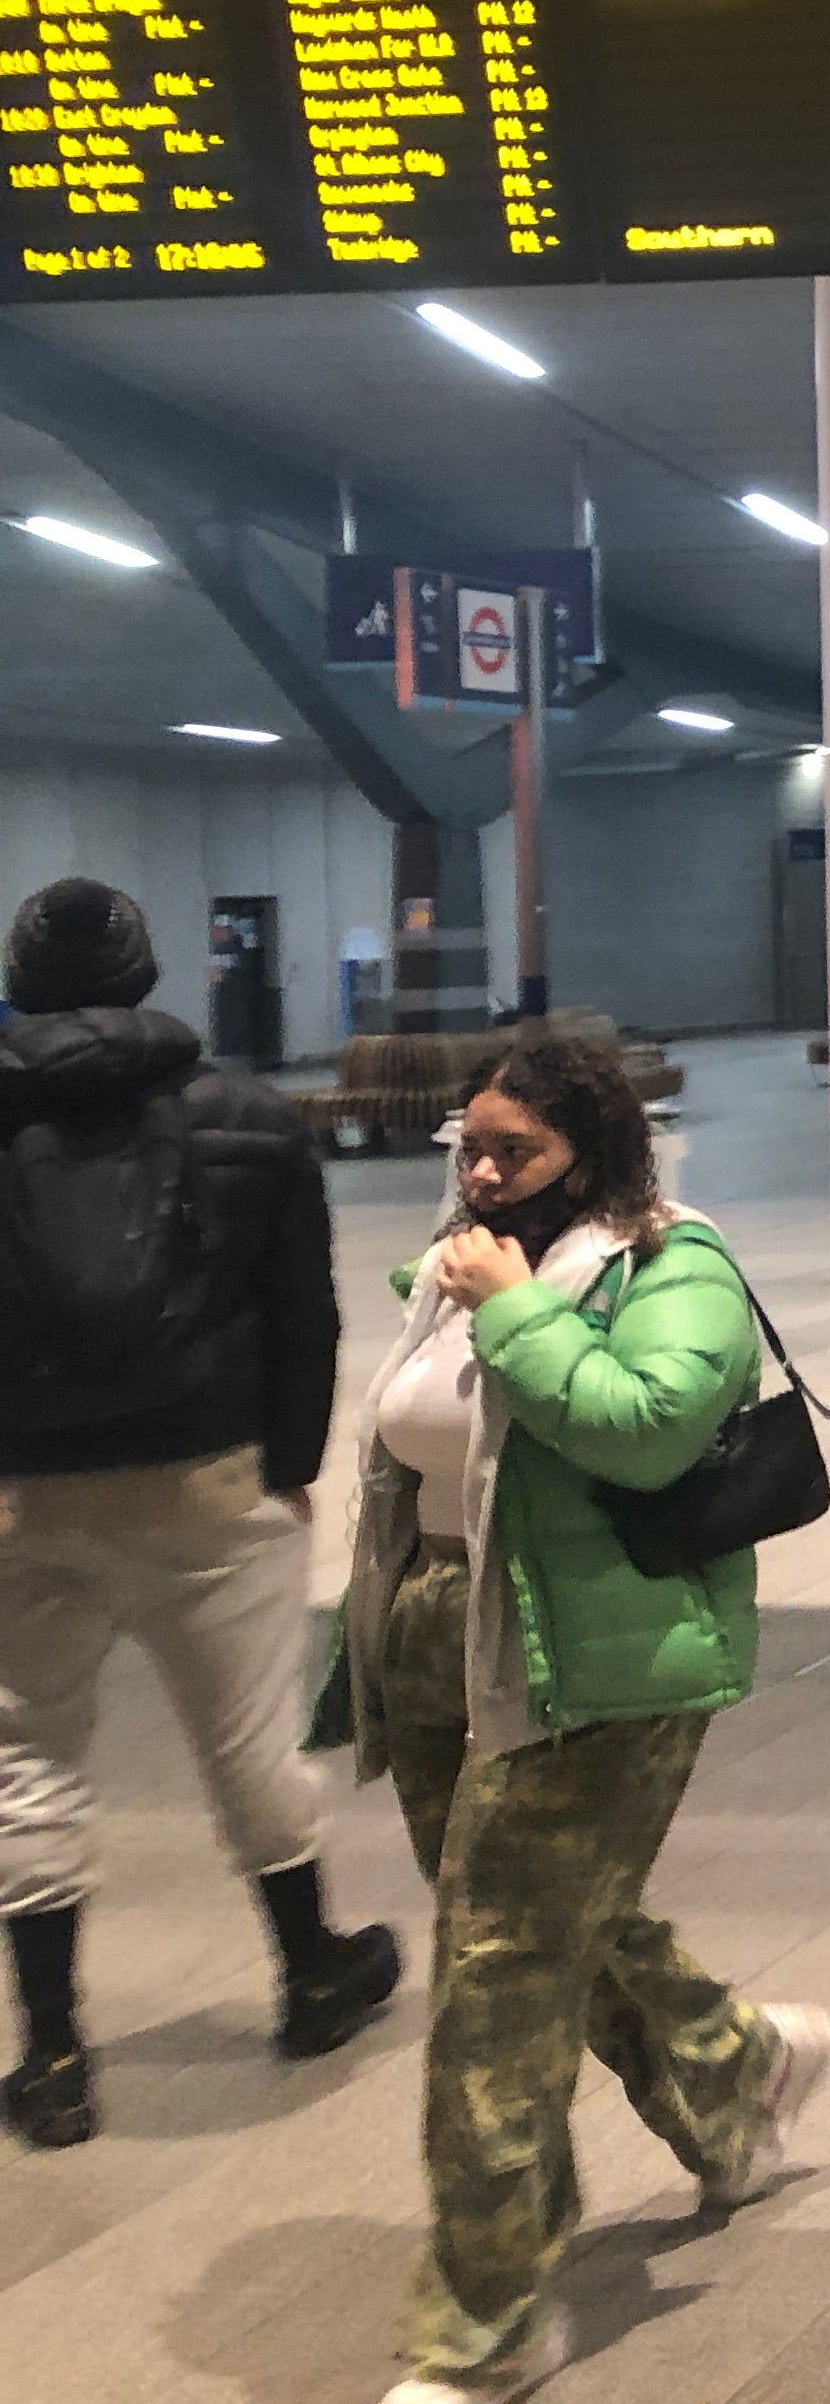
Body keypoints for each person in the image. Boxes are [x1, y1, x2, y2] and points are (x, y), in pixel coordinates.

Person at [346, 1025, 830, 2404]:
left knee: (495, 1988)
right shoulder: (464, 1265)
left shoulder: (674, 1264)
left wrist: (509, 1308)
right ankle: (740, 2076)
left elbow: (651, 1424)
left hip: (598, 1667)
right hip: (451, 1637)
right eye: (472, 1147)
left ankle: (485, 2329)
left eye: (519, 1152)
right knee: (560, 1927)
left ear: (595, 1153)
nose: (487, 1175)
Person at [0, 879, 399, 2153]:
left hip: (20, 1496)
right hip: (212, 1485)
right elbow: (304, 1312)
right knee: (247, 1744)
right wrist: (289, 1463)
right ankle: (312, 1975)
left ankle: (53, 2053)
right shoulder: (251, 1116)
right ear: (146, 969)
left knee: (27, 1758)